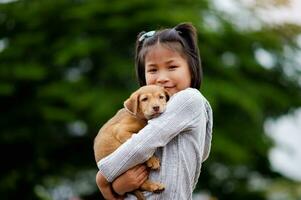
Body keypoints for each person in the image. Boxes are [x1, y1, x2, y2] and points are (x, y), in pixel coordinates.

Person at [96, 22, 213, 200]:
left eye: (172, 67)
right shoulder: (156, 113)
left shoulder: (188, 98)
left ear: (192, 67)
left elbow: (140, 146)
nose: (162, 78)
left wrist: (103, 179)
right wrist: (120, 186)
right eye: (152, 70)